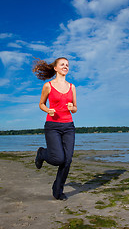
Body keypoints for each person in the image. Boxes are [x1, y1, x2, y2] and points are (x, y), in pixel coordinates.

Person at [32, 57, 77, 200]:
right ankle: (42, 153)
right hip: (53, 126)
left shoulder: (72, 87)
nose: (65, 66)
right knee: (58, 159)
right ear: (55, 68)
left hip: (68, 126)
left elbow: (75, 108)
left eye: (67, 65)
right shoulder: (48, 86)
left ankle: (58, 190)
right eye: (62, 64)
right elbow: (41, 104)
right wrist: (47, 110)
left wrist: (72, 108)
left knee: (67, 160)